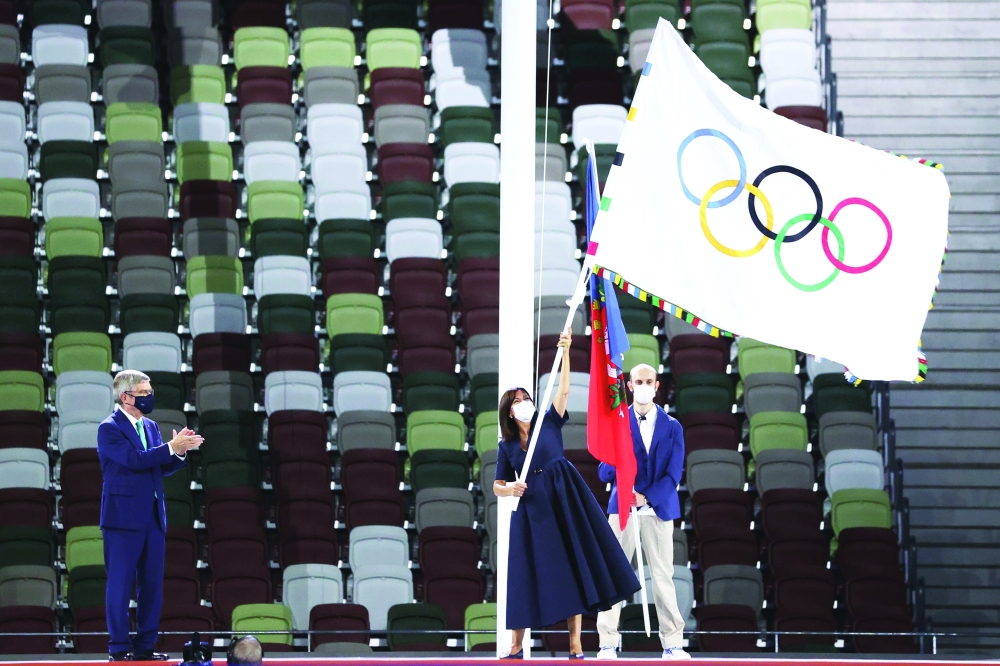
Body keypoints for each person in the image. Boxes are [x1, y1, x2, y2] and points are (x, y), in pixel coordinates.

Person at [494, 331, 640, 659]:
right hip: (532, 508)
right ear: (508, 411)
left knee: (572, 566)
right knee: (524, 573)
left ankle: (575, 642)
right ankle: (516, 644)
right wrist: (509, 489)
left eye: (525, 398)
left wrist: (566, 350)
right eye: (516, 401)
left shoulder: (549, 421)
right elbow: (496, 484)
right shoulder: (506, 445)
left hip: (563, 497)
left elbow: (564, 389)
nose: (523, 404)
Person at [98, 370, 204, 661]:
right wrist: (170, 447)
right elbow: (134, 460)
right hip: (122, 519)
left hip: (153, 518)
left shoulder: (152, 427)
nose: (149, 396)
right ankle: (119, 649)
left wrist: (179, 454)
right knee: (119, 586)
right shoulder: (109, 428)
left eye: (149, 391)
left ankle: (145, 647)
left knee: (152, 586)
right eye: (144, 392)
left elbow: (158, 467)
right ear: (125, 396)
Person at [594, 363, 689, 660]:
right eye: (639, 381)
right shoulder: (617, 423)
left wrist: (645, 496)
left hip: (658, 510)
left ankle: (673, 643)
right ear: (630, 385)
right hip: (622, 510)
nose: (644, 385)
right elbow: (603, 473)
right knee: (614, 575)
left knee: (663, 577)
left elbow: (674, 474)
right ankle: (607, 642)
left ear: (657, 386)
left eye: (650, 381)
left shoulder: (673, 427)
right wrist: (617, 455)